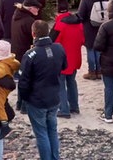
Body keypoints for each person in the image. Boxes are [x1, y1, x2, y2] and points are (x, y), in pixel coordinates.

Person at [19, 20, 67, 160]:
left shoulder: (30, 55)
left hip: (37, 100)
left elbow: (23, 82)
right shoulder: (59, 48)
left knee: (41, 133)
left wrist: (24, 100)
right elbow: (64, 66)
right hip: (54, 97)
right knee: (52, 130)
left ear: (33, 34)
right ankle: (54, 157)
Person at [49, 0, 84, 118]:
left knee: (60, 85)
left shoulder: (59, 25)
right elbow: (82, 40)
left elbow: (51, 41)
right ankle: (74, 106)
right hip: (75, 58)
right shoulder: (78, 23)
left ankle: (64, 109)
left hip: (62, 60)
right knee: (72, 82)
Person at [11, 0, 42, 111]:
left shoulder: (16, 16)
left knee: (22, 79)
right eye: (36, 8)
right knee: (27, 80)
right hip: (25, 52)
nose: (38, 10)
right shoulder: (29, 21)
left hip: (16, 51)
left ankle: (20, 103)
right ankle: (24, 105)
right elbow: (34, 38)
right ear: (30, 8)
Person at [0, 40, 20, 140]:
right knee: (2, 102)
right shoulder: (11, 61)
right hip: (7, 85)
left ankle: (4, 124)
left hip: (2, 88)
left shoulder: (1, 65)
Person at [77, 0, 109, 80]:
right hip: (102, 25)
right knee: (99, 48)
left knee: (90, 48)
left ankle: (92, 71)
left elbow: (81, 14)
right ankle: (99, 71)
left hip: (89, 26)